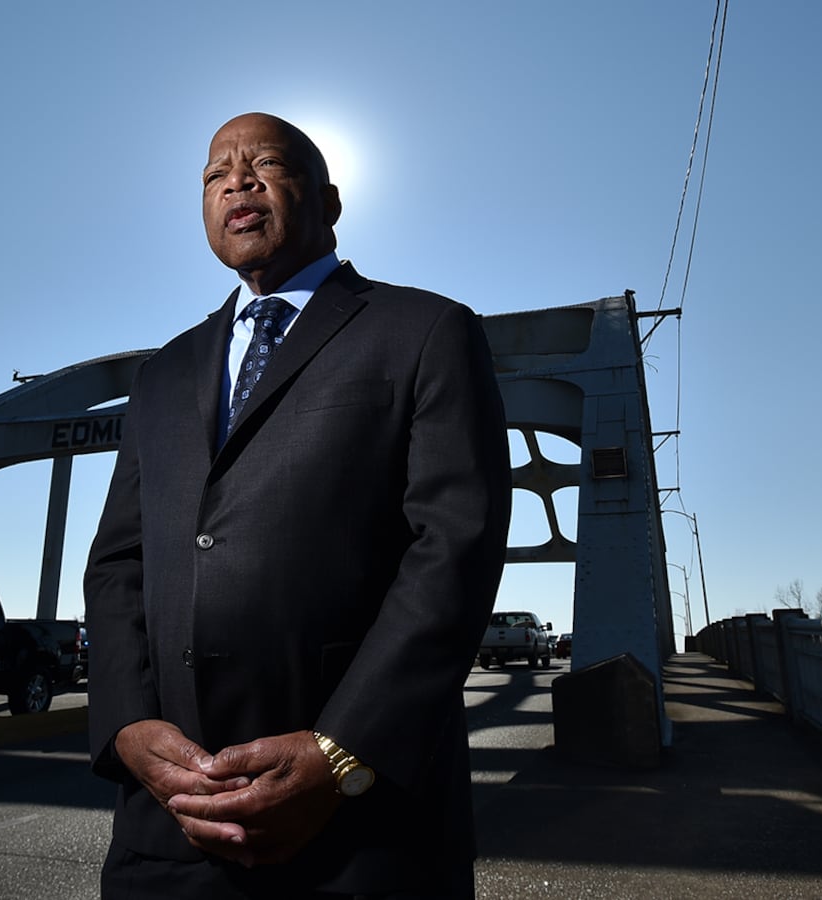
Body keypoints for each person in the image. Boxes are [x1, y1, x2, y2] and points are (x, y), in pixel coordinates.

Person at [84, 112, 511, 899]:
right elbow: (117, 566)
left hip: (360, 832)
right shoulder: (163, 375)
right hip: (169, 833)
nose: (236, 182)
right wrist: (125, 725)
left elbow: (455, 546)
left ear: (331, 202)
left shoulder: (424, 331)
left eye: (264, 164)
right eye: (215, 174)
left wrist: (342, 754)